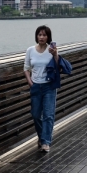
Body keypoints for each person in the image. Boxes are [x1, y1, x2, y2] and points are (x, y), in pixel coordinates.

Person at [24, 25, 61, 153]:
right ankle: (41, 136)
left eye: (44, 35)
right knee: (35, 115)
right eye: (39, 35)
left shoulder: (52, 50)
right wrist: (30, 83)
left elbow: (57, 67)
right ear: (36, 36)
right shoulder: (30, 50)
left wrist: (55, 54)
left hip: (49, 86)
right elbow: (26, 68)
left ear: (48, 37)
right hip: (35, 86)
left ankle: (45, 142)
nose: (42, 37)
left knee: (48, 115)